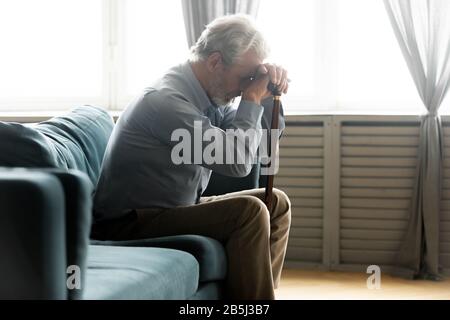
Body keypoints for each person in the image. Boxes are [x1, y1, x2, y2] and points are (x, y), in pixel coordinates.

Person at [92, 14, 291, 300]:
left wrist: (270, 98)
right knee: (249, 212)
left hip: (175, 207)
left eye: (253, 78)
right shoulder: (166, 102)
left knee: (276, 204)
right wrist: (251, 100)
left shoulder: (211, 94)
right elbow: (237, 163)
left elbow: (258, 147)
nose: (246, 87)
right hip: (128, 222)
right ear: (215, 62)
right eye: (245, 77)